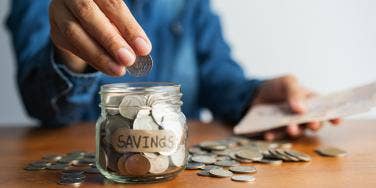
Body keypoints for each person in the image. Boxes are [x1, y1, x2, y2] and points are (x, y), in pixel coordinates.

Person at [6, 0, 339, 140]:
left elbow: (216, 74)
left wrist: (254, 96)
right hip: (89, 166)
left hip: (178, 162)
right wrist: (70, 51)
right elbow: (42, 104)